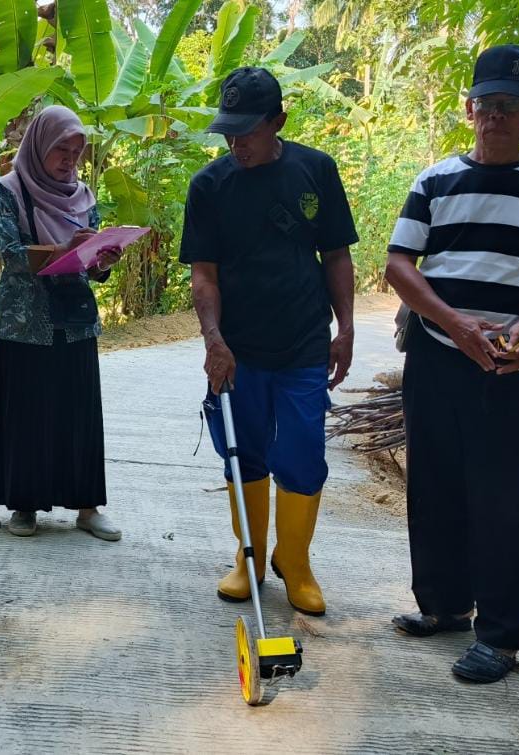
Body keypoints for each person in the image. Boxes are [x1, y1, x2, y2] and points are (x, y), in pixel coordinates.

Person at [384, 45, 519, 682]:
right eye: (486, 104)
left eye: (509, 105)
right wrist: (453, 324)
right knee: (435, 482)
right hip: (438, 354)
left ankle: (500, 637)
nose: (495, 116)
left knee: (503, 497)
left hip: (506, 361)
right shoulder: (435, 182)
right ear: (469, 108)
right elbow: (398, 266)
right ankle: (443, 606)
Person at [181, 67, 358, 616]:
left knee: (303, 454)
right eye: (228, 131)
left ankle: (296, 562)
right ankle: (250, 558)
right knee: (242, 453)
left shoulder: (316, 171)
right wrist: (213, 340)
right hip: (237, 350)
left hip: (304, 342)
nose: (236, 142)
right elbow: (204, 274)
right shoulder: (210, 186)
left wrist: (346, 327)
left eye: (248, 131)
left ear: (278, 121)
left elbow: (336, 255)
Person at [0, 105, 122, 541]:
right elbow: (11, 254)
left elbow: (90, 267)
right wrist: (66, 247)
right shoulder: (6, 192)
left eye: (77, 151)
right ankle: (23, 506)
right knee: (25, 414)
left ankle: (87, 506)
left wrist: (103, 258)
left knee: (78, 414)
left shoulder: (83, 196)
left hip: (74, 320)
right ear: (39, 144)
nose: (69, 159)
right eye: (61, 148)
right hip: (23, 322)